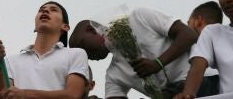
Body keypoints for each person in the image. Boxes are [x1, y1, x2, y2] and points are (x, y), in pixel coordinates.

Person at [69, 7, 198, 98]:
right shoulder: (113, 75)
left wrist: (158, 63)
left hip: (201, 83)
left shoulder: (139, 17)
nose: (86, 56)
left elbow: (189, 35)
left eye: (82, 46)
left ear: (90, 29)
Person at [0, 1, 89, 98]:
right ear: (35, 27)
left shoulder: (76, 54)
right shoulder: (10, 61)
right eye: (41, 10)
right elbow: (3, 95)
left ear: (65, 27)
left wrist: (24, 94)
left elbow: (73, 95)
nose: (45, 11)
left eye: (53, 10)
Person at [186, 1, 223, 97]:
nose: (186, 28)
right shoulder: (225, 40)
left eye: (188, 22)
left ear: (198, 21)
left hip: (205, 83)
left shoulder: (198, 42)